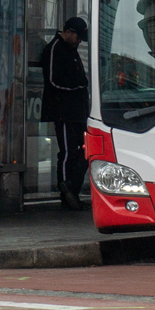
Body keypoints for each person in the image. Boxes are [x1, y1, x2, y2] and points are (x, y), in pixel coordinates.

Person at [40, 16, 90, 210]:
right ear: (68, 32)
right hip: (63, 110)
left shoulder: (72, 50)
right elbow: (53, 81)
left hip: (78, 111)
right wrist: (79, 86)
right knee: (68, 151)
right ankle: (66, 188)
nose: (79, 42)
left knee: (85, 150)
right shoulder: (55, 49)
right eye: (77, 37)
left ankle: (73, 189)